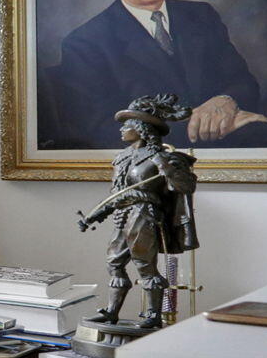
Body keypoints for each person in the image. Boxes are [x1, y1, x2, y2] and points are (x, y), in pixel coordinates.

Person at [45, 0, 267, 149]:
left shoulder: (201, 16)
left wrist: (225, 101)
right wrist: (200, 125)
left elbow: (243, 82)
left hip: (231, 148)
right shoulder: (85, 42)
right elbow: (100, 130)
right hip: (152, 160)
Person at [77, 94, 199, 331]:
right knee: (114, 262)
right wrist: (92, 217)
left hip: (144, 214)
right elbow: (116, 195)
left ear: (142, 129)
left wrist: (169, 170)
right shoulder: (122, 158)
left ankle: (153, 315)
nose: (122, 130)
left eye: (128, 125)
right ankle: (112, 312)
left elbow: (186, 187)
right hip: (123, 214)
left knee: (144, 265)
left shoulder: (161, 157)